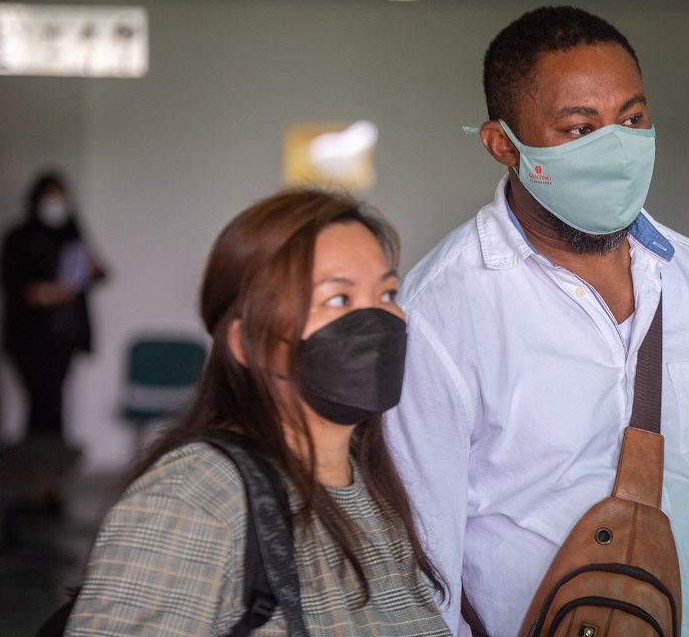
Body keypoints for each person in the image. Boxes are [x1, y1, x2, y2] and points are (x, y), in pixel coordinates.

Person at [386, 6, 689, 637]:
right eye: (580, 128)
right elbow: (421, 570)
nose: (618, 147)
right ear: (502, 144)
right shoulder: (442, 310)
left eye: (632, 118)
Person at [65, 189, 450, 636]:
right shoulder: (195, 498)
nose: (379, 320)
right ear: (246, 343)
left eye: (387, 292)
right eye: (338, 300)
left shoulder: (371, 486)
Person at [0, 170, 107, 441]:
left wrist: (92, 269)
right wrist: (47, 293)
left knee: (55, 401)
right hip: (29, 335)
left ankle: (49, 470)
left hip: (63, 335)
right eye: (52, 196)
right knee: (40, 400)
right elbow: (10, 282)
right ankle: (37, 468)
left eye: (62, 196)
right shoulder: (19, 236)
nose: (57, 202)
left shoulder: (73, 235)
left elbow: (97, 274)